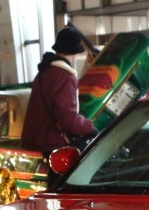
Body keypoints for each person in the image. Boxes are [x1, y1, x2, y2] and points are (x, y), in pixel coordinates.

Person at [21, 26, 97, 155]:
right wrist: (89, 127)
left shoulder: (44, 71)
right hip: (53, 144)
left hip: (37, 141)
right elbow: (68, 120)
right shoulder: (65, 76)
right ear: (76, 51)